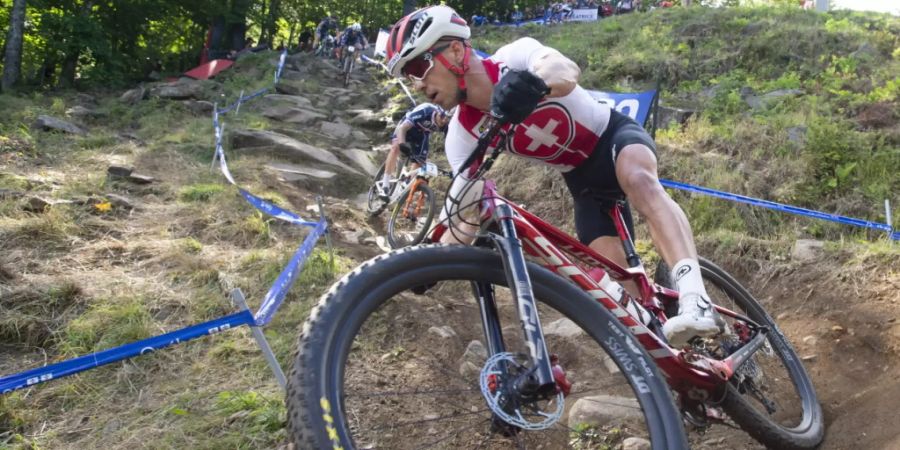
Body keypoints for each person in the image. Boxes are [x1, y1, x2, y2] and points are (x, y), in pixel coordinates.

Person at [385, 5, 722, 346]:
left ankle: (696, 297)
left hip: (612, 138)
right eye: (408, 76)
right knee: (627, 301)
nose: (418, 82)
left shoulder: (513, 57)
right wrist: (430, 264)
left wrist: (535, 83)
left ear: (456, 50)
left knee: (638, 179)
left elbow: (564, 69)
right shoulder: (462, 134)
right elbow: (463, 212)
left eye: (418, 66)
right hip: (583, 181)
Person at [378, 103, 453, 198]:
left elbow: (450, 146)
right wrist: (402, 144)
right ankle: (385, 186)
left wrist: (453, 168)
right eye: (442, 116)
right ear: (438, 112)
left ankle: (402, 190)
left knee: (420, 161)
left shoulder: (446, 126)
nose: (443, 120)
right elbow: (403, 128)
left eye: (447, 119)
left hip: (422, 134)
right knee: (395, 148)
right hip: (407, 127)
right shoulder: (426, 111)